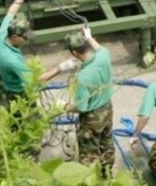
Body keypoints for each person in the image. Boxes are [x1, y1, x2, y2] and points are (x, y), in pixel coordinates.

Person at [42, 26, 114, 177]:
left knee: (89, 153)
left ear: (74, 53)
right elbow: (99, 48)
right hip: (107, 109)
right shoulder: (104, 55)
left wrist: (64, 106)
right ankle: (107, 174)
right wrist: (89, 36)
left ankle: (90, 179)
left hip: (92, 118)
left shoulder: (84, 77)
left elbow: (81, 107)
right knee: (106, 142)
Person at [0, 0, 35, 101]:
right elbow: (33, 81)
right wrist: (60, 68)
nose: (26, 40)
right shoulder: (13, 60)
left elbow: (11, 12)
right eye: (25, 37)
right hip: (19, 95)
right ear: (15, 36)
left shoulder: (3, 34)